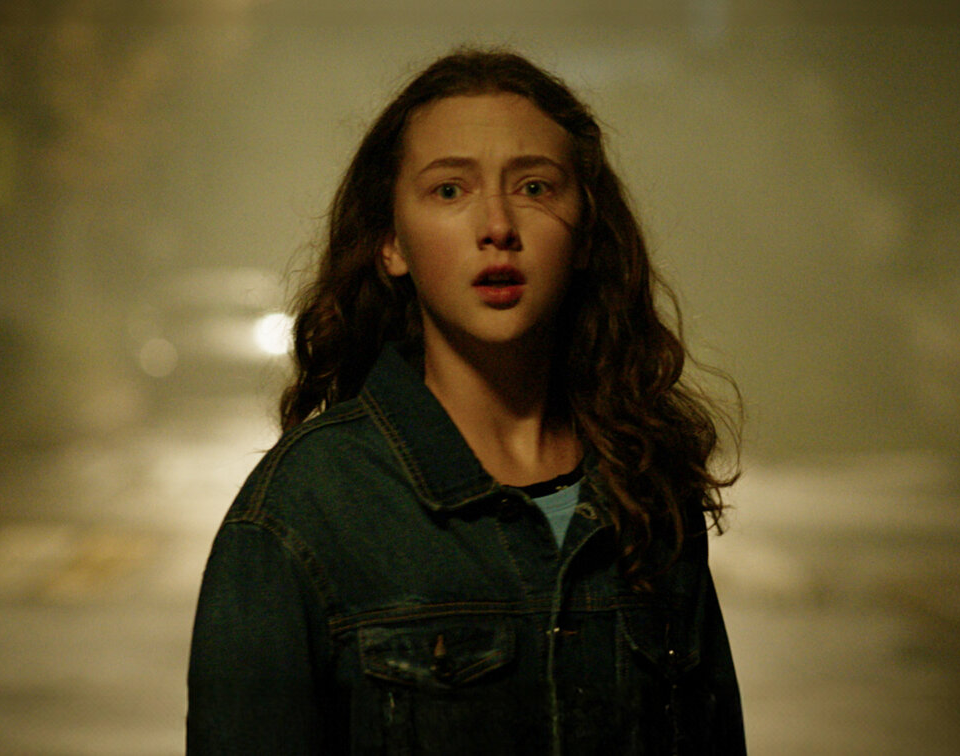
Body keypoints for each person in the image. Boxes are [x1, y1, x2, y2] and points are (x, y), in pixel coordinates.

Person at [187, 47, 744, 755]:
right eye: (449, 190)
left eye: (535, 187)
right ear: (391, 243)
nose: (498, 226)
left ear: (584, 234)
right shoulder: (303, 511)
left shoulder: (644, 485)